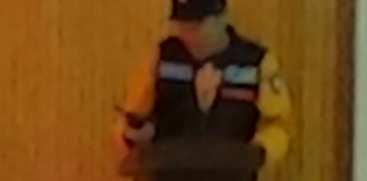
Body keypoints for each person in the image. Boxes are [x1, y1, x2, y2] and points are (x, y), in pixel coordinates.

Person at [120, 2, 294, 169]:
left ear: (222, 18)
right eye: (182, 26)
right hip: (168, 175)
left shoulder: (254, 63)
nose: (188, 35)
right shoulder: (161, 58)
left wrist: (256, 152)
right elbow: (131, 119)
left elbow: (278, 124)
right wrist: (135, 135)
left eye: (196, 26)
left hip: (232, 177)